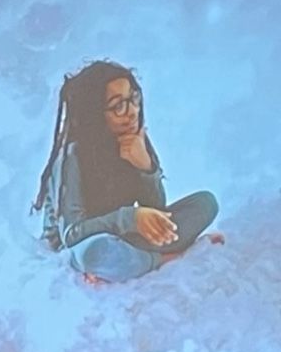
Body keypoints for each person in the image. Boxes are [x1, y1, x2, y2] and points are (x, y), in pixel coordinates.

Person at [32, 59, 220, 283]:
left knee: (206, 203)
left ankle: (130, 263)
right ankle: (165, 260)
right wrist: (130, 218)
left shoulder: (134, 140)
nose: (132, 112)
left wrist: (145, 167)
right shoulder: (71, 156)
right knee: (95, 252)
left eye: (134, 99)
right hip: (79, 246)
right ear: (96, 114)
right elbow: (70, 234)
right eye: (118, 106)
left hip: (122, 237)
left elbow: (156, 211)